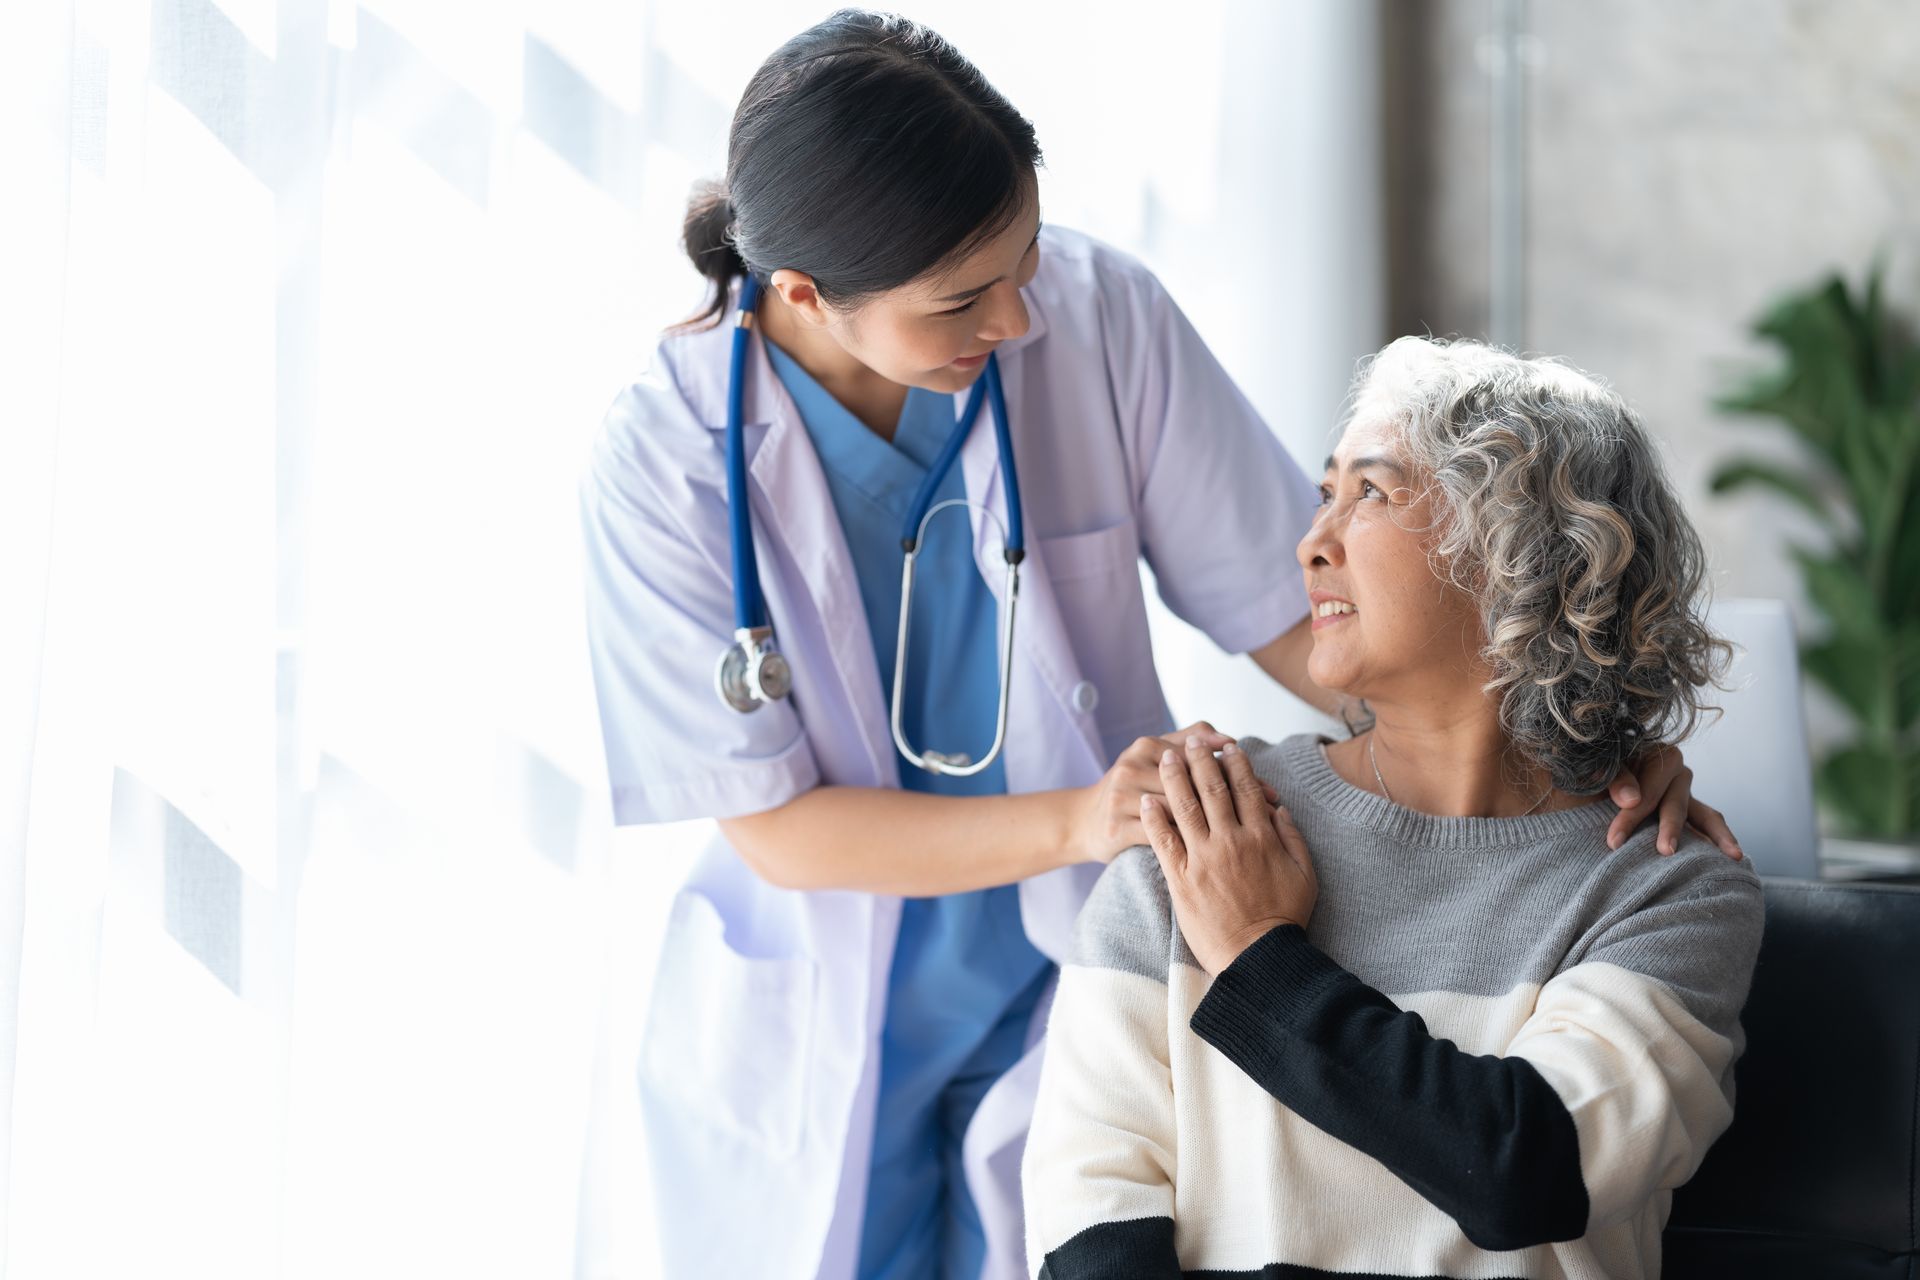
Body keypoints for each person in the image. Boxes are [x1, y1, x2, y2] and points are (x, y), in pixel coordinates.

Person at [578, 13, 1736, 1279]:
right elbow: (774, 823)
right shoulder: (666, 460)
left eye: (1022, 258)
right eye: (963, 298)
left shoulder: (1096, 316)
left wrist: (1572, 741)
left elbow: (1307, 612)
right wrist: (1090, 822)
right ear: (803, 294)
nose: (1018, 318)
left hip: (1076, 958)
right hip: (827, 1004)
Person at [1022, 337, 1763, 1279]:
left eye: (1369, 492)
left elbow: (1527, 1169)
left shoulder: (1666, 888)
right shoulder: (1210, 824)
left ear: (1524, 552)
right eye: (1326, 493)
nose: (1311, 542)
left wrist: (1257, 958)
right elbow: (1088, 1224)